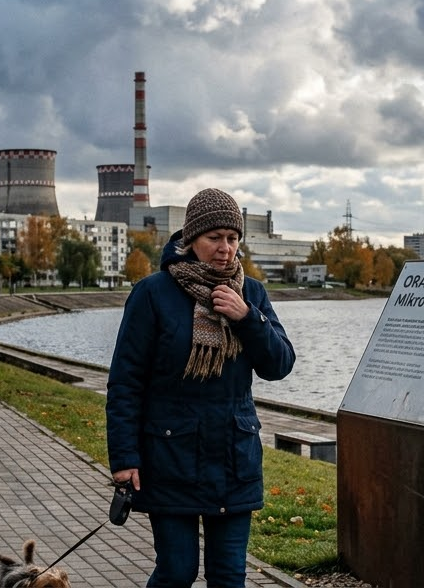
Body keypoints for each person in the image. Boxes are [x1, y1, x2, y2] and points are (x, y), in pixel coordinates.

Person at [107, 188, 295, 587]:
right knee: (177, 572)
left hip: (234, 458)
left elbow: (279, 365)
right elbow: (125, 382)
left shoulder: (252, 293)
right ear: (191, 238)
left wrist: (248, 318)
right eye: (215, 238)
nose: (225, 248)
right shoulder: (153, 294)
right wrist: (124, 457)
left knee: (228, 577)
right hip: (170, 457)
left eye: (233, 238)